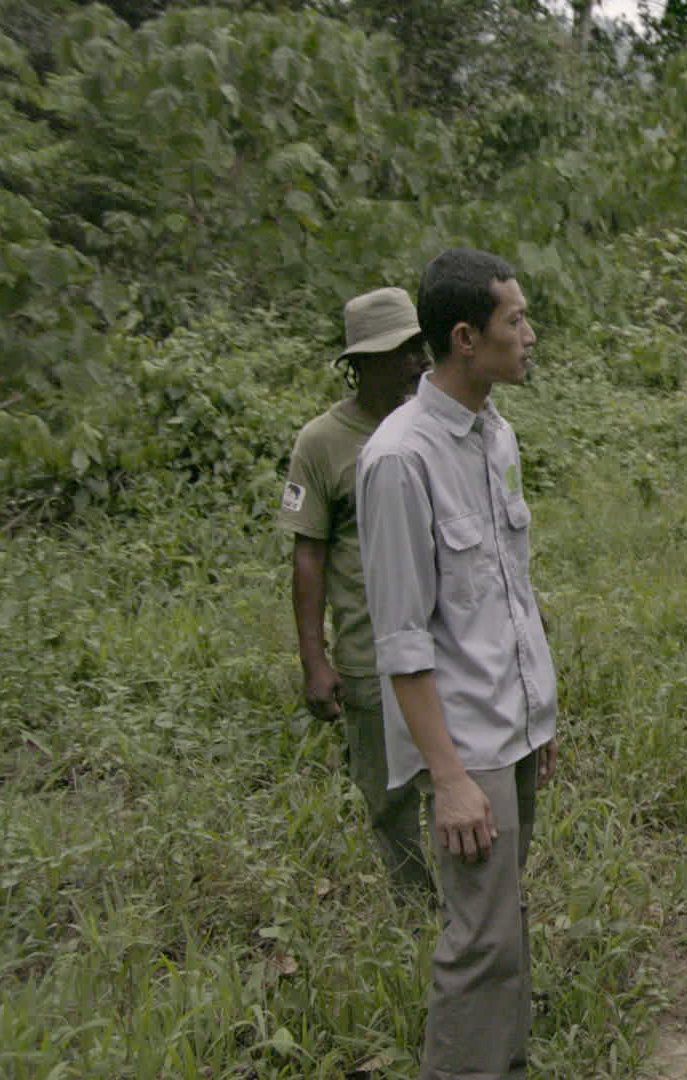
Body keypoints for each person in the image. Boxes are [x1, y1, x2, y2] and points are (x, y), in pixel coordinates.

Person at [358, 249, 558, 1080]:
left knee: (504, 920)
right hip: (464, 746)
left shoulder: (495, 433)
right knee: (477, 939)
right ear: (466, 337)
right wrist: (447, 777)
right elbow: (402, 638)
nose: (530, 336)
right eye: (516, 321)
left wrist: (538, 716)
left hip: (510, 728)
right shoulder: (400, 460)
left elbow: (507, 590)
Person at [276, 286, 433, 895]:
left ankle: (466, 910)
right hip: (369, 653)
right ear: (359, 364)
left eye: (418, 348)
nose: (414, 364)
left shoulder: (435, 424)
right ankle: (415, 903)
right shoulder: (322, 443)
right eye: (398, 353)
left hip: (441, 638)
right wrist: (315, 660)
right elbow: (308, 554)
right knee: (388, 794)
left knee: (458, 780)